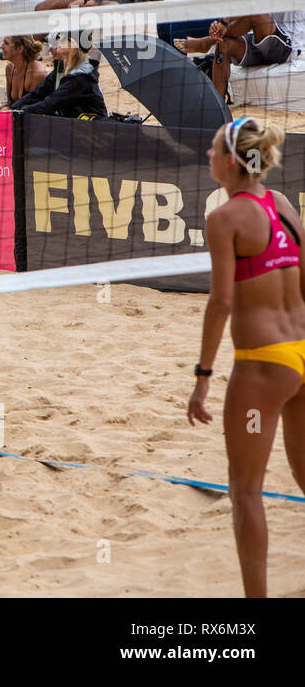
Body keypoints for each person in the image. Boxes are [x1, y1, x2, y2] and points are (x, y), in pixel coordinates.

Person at [188, 118, 305, 599]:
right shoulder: (281, 205)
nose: (208, 155)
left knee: (247, 489)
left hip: (263, 367)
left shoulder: (224, 219)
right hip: (302, 355)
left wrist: (202, 377)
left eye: (214, 148)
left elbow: (221, 303)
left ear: (232, 161)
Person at [179, 0, 304, 97]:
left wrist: (224, 22)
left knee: (255, 13)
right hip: (260, 45)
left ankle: (206, 42)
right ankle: (219, 105)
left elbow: (256, 5)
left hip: (287, 48)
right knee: (223, 45)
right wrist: (218, 26)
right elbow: (236, 12)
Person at [10, 29, 107, 119]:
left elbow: (49, 104)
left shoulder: (81, 77)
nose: (59, 40)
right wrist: (12, 108)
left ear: (74, 45)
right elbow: (37, 94)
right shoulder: (61, 70)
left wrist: (16, 112)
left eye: (63, 38)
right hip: (75, 125)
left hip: (92, 130)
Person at [0, 35, 47, 110]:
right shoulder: (10, 68)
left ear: (20, 48)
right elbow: (11, 104)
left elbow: (33, 111)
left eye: (6, 43)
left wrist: (3, 110)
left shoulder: (36, 74)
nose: (1, 47)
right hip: (17, 117)